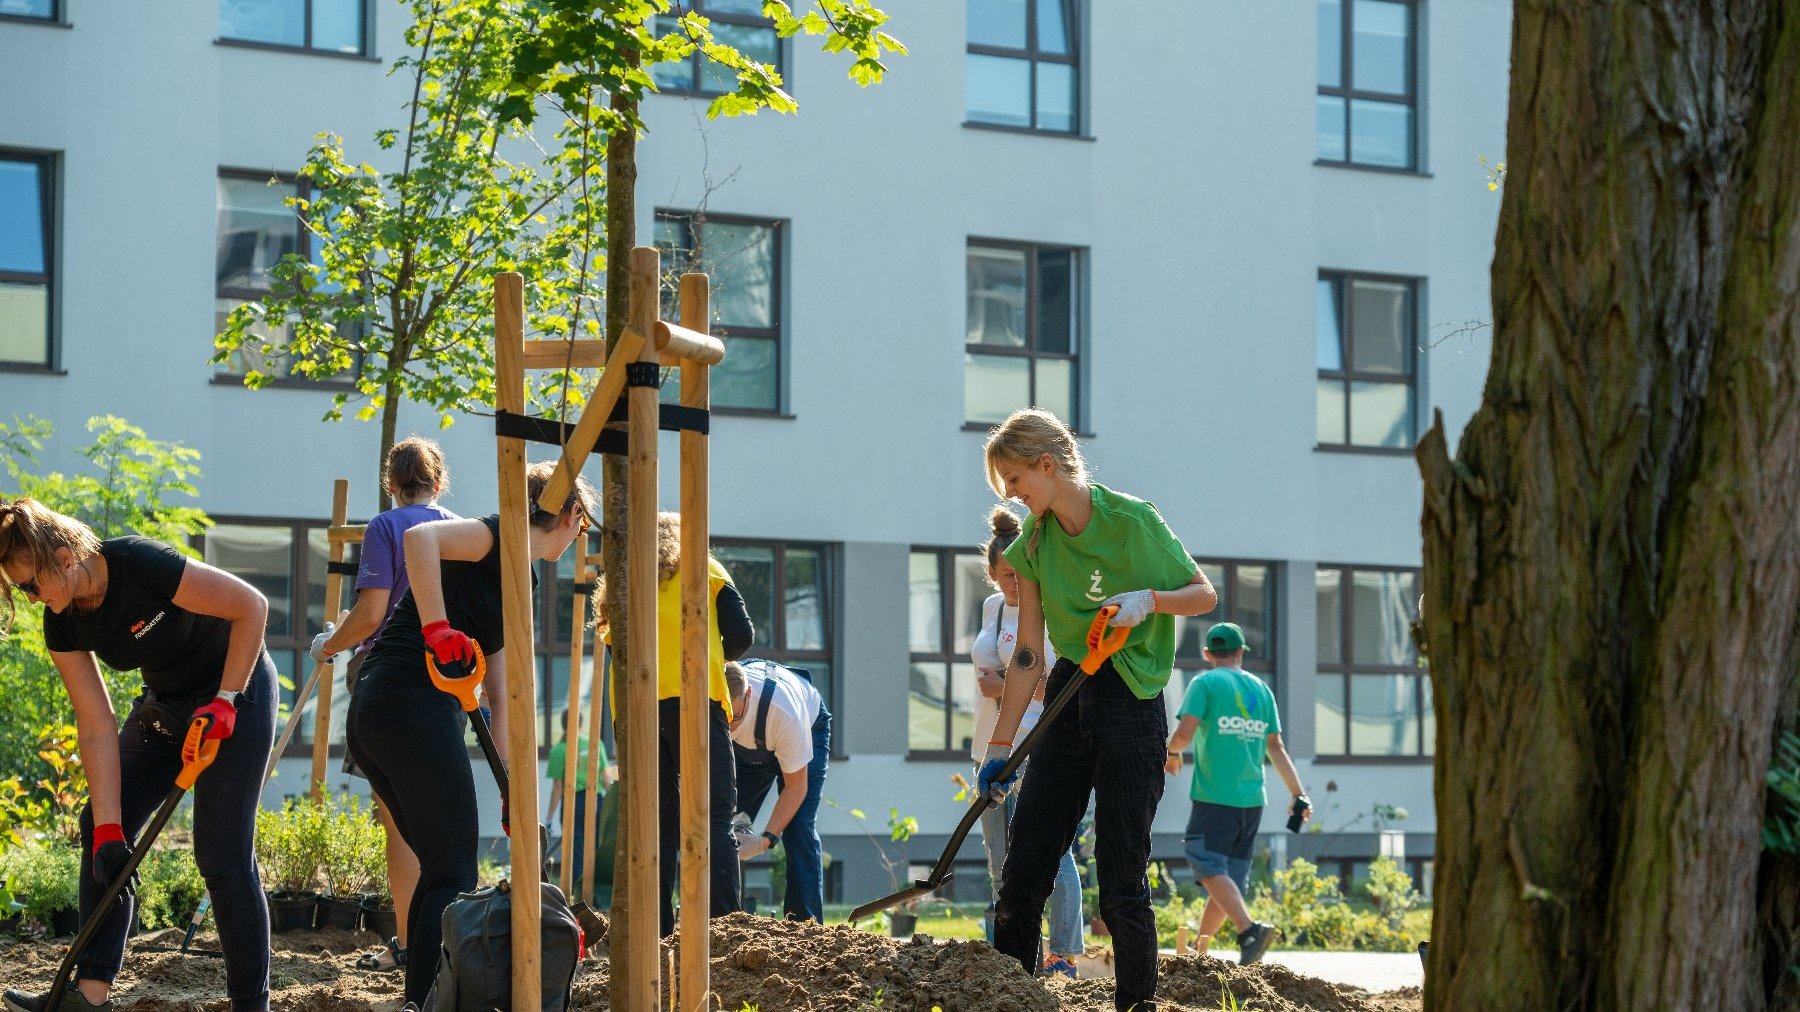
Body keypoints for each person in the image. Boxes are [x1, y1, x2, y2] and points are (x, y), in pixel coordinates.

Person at [974, 408, 1217, 1012]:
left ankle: (1136, 1004)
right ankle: (1014, 1001)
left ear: (1047, 464)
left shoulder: (1132, 521)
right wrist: (1000, 750)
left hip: (1131, 698)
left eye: (1014, 480)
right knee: (1024, 872)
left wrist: (1148, 601)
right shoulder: (1032, 545)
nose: (1012, 495)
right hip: (1067, 691)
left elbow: (1204, 594)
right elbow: (1029, 653)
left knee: (1121, 880)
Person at [0, 499, 277, 1012]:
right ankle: (90, 996)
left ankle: (250, 1005)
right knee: (101, 822)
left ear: (63, 558)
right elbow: (96, 723)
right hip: (168, 706)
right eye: (20, 591)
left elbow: (252, 607)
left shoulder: (141, 564)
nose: (30, 598)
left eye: (29, 586)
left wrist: (226, 700)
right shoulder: (63, 624)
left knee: (222, 855)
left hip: (237, 691)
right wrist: (109, 830)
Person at [344, 462, 594, 1011]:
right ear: (572, 514)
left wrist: (511, 787)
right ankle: (426, 1004)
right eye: (583, 525)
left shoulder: (519, 581)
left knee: (442, 867)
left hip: (387, 714)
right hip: (404, 703)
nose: (580, 537)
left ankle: (422, 1000)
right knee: (454, 870)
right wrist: (436, 628)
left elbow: (501, 696)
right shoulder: (494, 534)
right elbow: (419, 539)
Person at [308, 435, 456, 974]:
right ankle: (439, 944)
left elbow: (371, 615)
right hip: (443, 684)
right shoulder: (458, 528)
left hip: (388, 683)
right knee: (438, 821)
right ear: (438, 482)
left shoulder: (385, 528)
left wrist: (329, 644)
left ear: (390, 484)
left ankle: (410, 946)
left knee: (398, 822)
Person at [593, 508, 753, 936]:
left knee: (657, 825)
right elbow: (741, 637)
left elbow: (617, 658)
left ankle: (659, 933)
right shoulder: (706, 569)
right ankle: (721, 928)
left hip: (641, 715)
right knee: (714, 818)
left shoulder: (626, 585)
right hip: (697, 702)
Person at [969, 506, 1083, 976]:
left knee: (1051, 846)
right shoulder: (993, 609)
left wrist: (1016, 680)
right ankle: (1017, 955)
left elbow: (1050, 677)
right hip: (993, 742)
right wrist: (1010, 680)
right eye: (1003, 577)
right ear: (992, 574)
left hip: (1041, 740)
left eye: (1018, 575)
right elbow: (987, 679)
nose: (1012, 585)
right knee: (1001, 853)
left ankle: (1061, 953)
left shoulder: (1050, 603)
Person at [1164, 622, 1307, 965]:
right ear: (1241, 652)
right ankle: (1200, 952)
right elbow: (1277, 747)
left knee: (1205, 862)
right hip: (1252, 801)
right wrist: (1299, 794)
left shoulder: (1205, 682)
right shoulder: (1262, 689)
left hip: (1215, 797)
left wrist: (1170, 753)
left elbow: (1185, 731)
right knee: (1226, 877)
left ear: (1207, 653)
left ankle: (1248, 931)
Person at [723, 658, 830, 923]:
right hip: (751, 755)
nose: (730, 726)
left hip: (807, 727)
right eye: (723, 718)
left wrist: (765, 840)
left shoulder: (785, 714)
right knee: (725, 826)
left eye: (735, 717)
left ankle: (805, 927)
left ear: (747, 695)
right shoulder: (714, 703)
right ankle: (721, 921)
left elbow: (796, 787)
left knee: (798, 827)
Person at [544, 720, 614, 903]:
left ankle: (578, 894)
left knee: (574, 848)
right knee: (595, 846)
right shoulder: (595, 745)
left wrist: (549, 817)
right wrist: (613, 802)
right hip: (596, 801)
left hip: (572, 801)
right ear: (582, 724)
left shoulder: (559, 750)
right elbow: (606, 778)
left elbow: (558, 786)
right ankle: (593, 891)